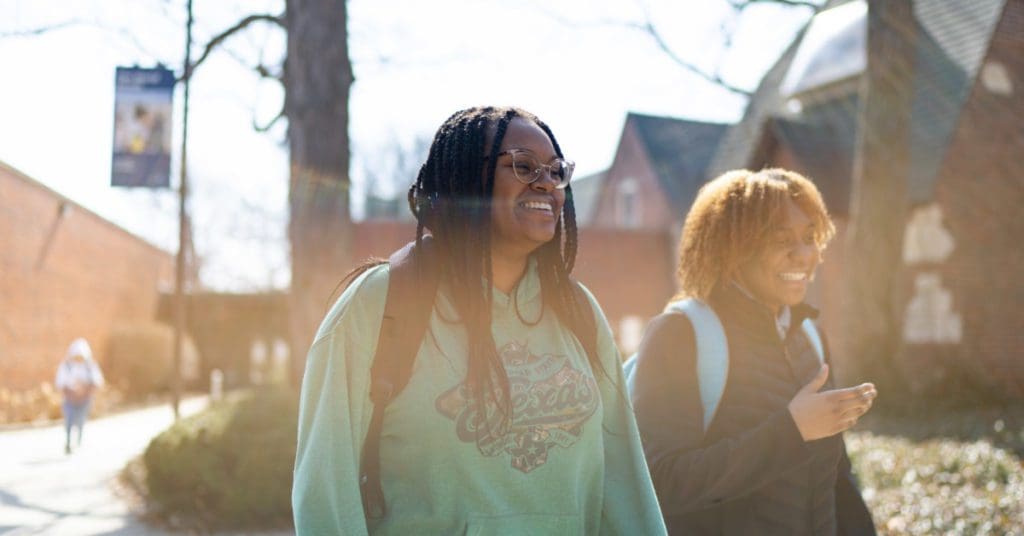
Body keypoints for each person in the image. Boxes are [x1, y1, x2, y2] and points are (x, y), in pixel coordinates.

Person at [292, 106, 666, 535]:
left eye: (556, 171)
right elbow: (325, 495)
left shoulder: (576, 309)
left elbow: (626, 486)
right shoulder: (380, 303)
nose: (545, 182)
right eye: (524, 167)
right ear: (465, 177)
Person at [630, 168, 878, 535]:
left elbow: (838, 477)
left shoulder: (811, 336)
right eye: (781, 240)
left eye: (809, 237)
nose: (803, 255)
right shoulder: (680, 335)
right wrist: (792, 431)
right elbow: (662, 483)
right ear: (732, 247)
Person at [55, 338, 104, 454]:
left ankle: (79, 439)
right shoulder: (66, 366)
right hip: (70, 398)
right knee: (69, 420)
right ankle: (68, 442)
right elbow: (60, 383)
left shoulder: (90, 366)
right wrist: (72, 391)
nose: (78, 359)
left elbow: (98, 382)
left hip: (85, 399)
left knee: (81, 420)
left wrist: (85, 389)